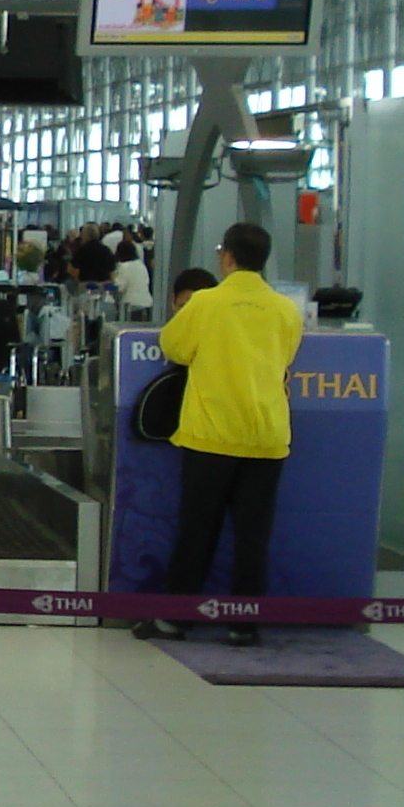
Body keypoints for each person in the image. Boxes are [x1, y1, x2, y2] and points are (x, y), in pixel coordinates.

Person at [135, 222, 304, 648]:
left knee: (197, 532)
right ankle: (245, 624)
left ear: (226, 257)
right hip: (266, 437)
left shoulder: (207, 303)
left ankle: (176, 620)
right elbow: (285, 356)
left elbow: (173, 347)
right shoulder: (285, 309)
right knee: (253, 537)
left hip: (211, 436)